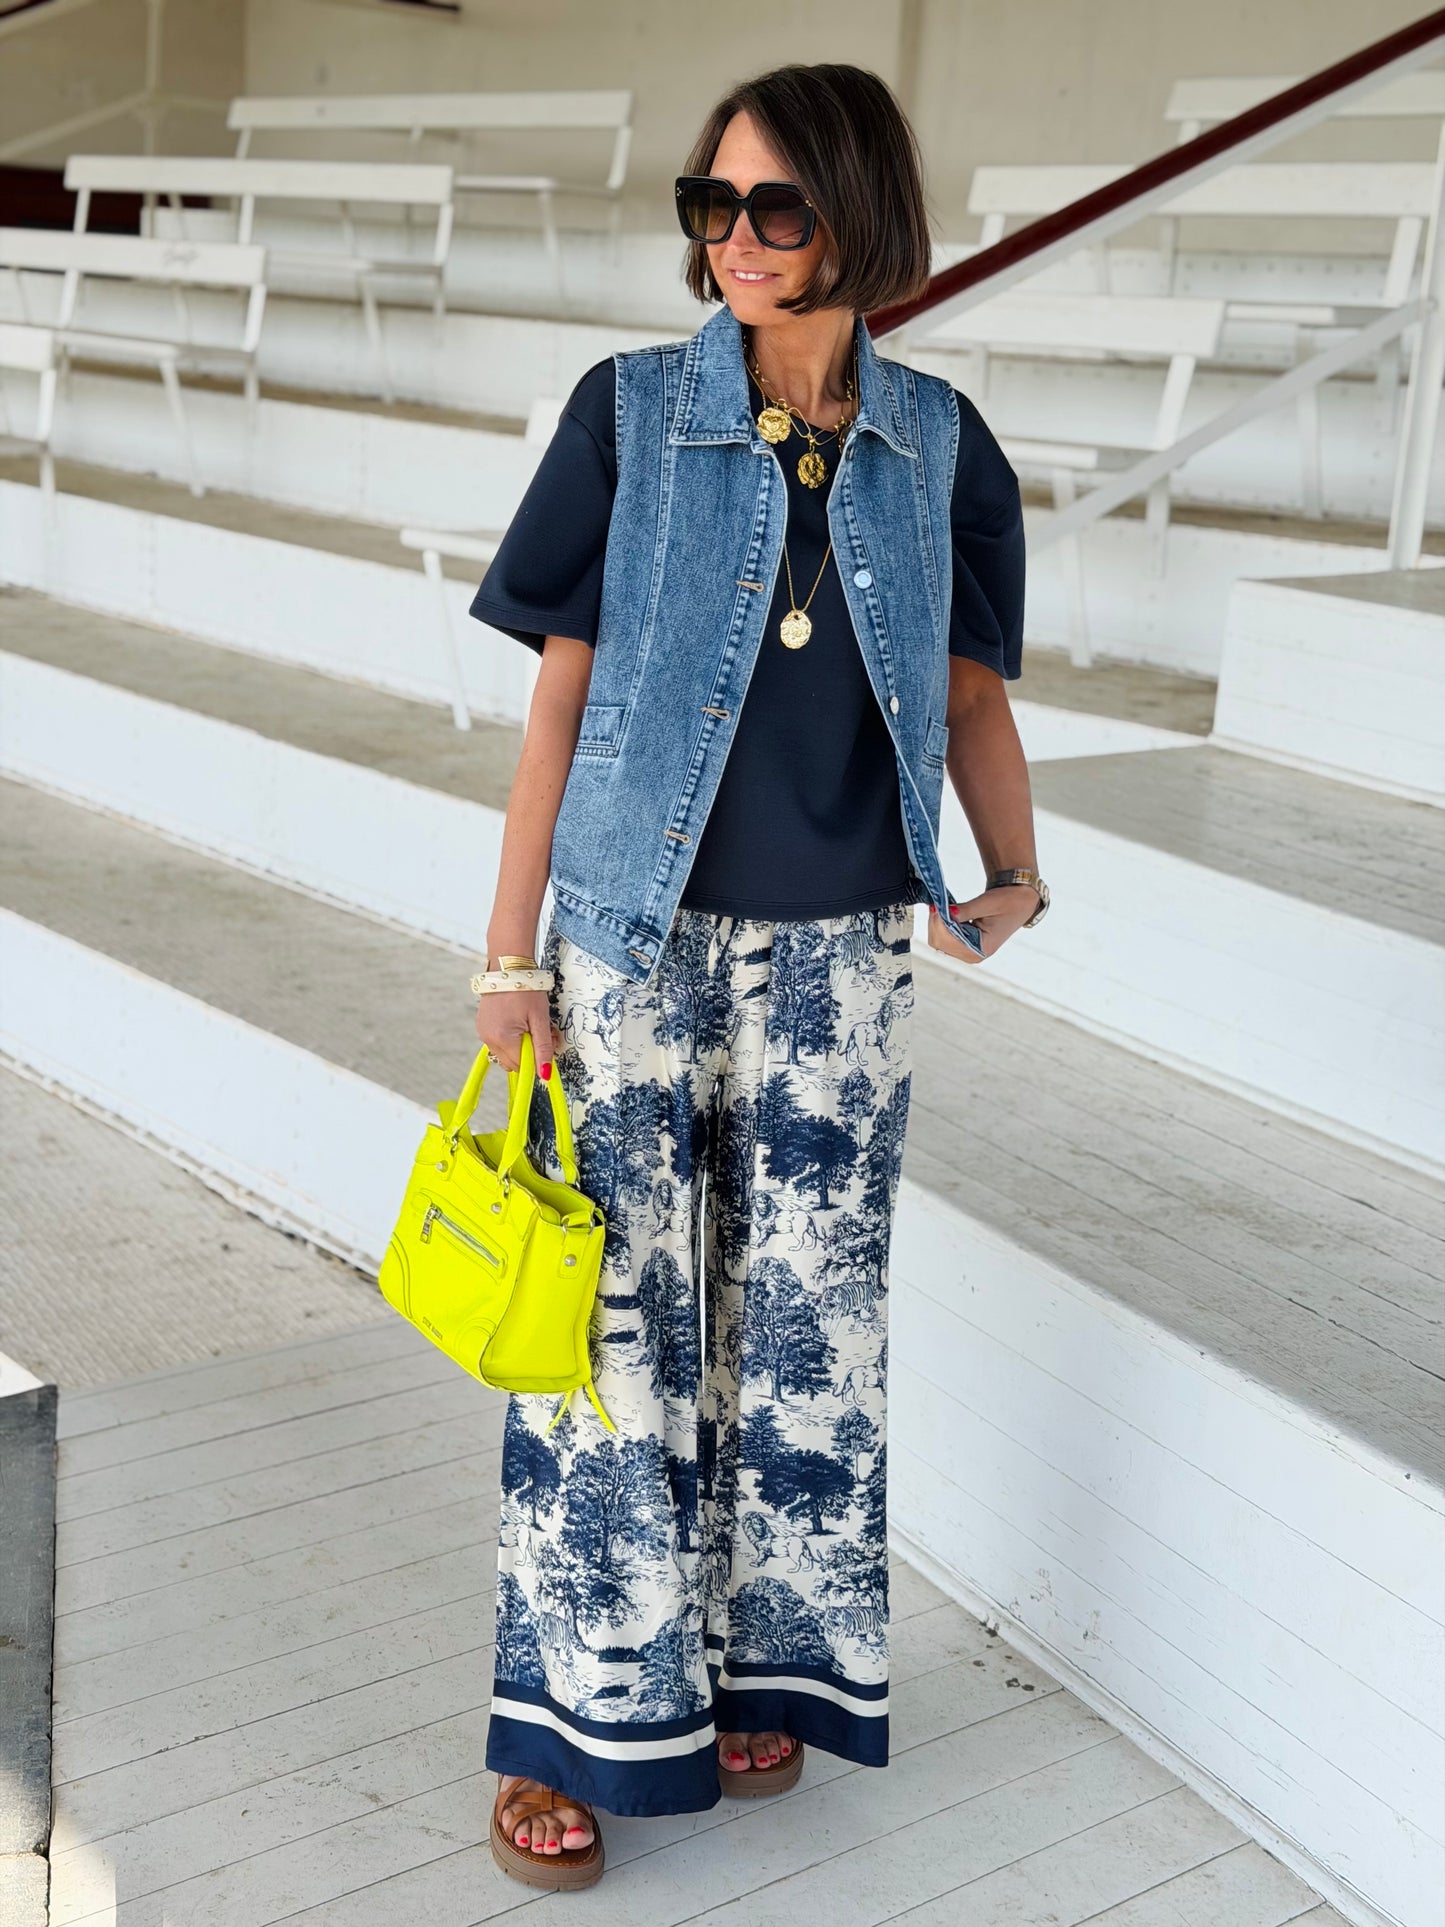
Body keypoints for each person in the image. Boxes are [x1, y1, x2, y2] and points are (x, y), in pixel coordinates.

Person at [467, 62, 1046, 1891]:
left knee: (808, 1336)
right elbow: (555, 705)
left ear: (858, 216)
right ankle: (571, 1725)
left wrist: (1012, 869)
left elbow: (967, 692)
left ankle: (755, 1673)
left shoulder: (939, 443)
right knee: (610, 1341)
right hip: (629, 942)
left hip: (841, 963)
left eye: (774, 207)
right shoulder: (630, 413)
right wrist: (506, 956)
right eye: (710, 205)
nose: (734, 239)